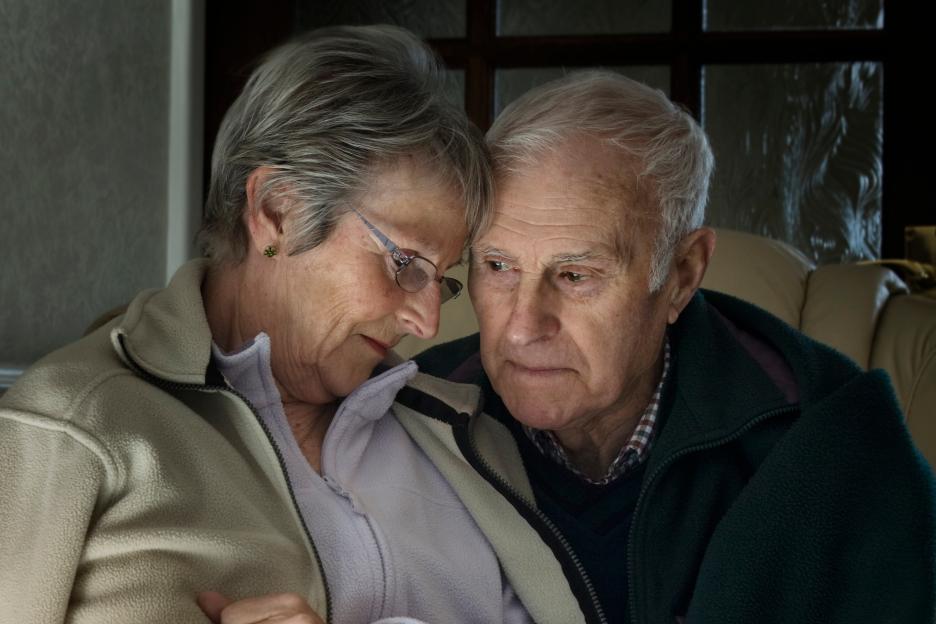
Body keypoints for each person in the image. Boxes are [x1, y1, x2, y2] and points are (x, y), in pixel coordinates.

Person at [0, 25, 544, 624]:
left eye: (441, 276)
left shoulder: (471, 436)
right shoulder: (70, 426)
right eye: (404, 264)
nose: (426, 317)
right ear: (275, 211)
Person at [411, 70, 936, 623]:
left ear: (682, 275)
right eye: (498, 266)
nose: (521, 328)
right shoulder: (409, 418)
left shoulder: (829, 440)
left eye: (575, 275)